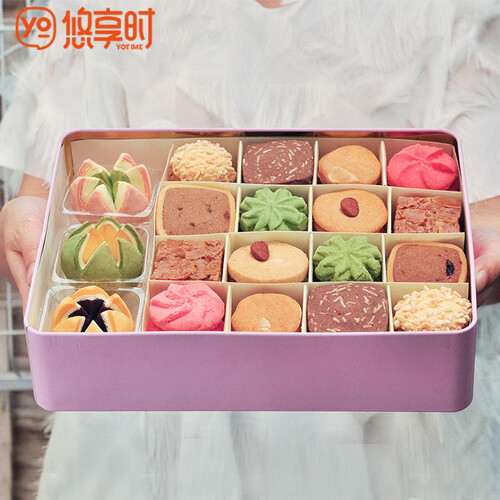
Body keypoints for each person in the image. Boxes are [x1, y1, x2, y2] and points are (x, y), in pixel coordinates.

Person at [0, 0, 499, 497]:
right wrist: (22, 222)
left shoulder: (455, 13)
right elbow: (51, 209)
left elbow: (485, 223)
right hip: (146, 393)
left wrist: (487, 252)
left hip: (394, 395)